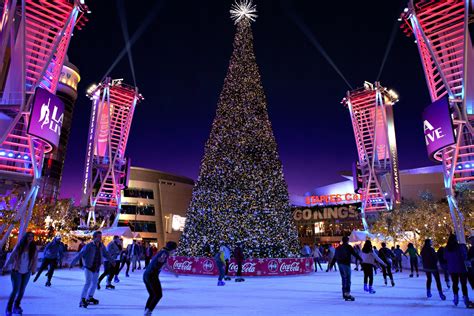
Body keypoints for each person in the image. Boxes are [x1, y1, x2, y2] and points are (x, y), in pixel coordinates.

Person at [70, 231, 114, 308]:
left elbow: (106, 254)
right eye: (99, 237)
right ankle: (82, 299)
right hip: (88, 267)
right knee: (88, 283)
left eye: (101, 236)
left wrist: (112, 260)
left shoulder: (101, 246)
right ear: (94, 237)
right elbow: (81, 254)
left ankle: (90, 297)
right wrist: (73, 262)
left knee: (94, 283)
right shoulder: (89, 246)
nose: (100, 238)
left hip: (96, 267)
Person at [3, 232, 38, 316]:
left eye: (32, 236)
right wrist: (5, 266)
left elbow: (35, 260)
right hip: (16, 271)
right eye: (29, 236)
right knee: (15, 290)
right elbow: (11, 256)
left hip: (27, 272)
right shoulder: (19, 246)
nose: (30, 238)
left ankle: (16, 306)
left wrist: (33, 269)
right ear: (25, 237)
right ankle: (8, 308)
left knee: (22, 291)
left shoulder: (34, 248)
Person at [143, 241, 177, 315]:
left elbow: (165, 264)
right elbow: (161, 260)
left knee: (152, 295)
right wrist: (160, 260)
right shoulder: (165, 253)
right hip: (152, 275)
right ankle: (148, 311)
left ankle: (147, 311)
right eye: (174, 249)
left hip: (146, 275)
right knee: (158, 295)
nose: (175, 251)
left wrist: (174, 272)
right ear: (172, 249)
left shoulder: (163, 251)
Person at [328, 236, 362, 301]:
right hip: (346, 264)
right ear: (347, 241)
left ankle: (344, 293)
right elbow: (354, 253)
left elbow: (335, 256)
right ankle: (347, 293)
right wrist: (360, 259)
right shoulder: (348, 247)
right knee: (348, 279)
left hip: (340, 264)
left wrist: (331, 265)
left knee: (343, 279)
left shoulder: (338, 247)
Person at [444, 234, 473, 308]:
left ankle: (455, 298)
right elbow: (464, 256)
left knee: (455, 283)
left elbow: (445, 257)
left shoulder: (447, 248)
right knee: (463, 284)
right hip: (461, 268)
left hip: (452, 269)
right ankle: (466, 299)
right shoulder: (460, 247)